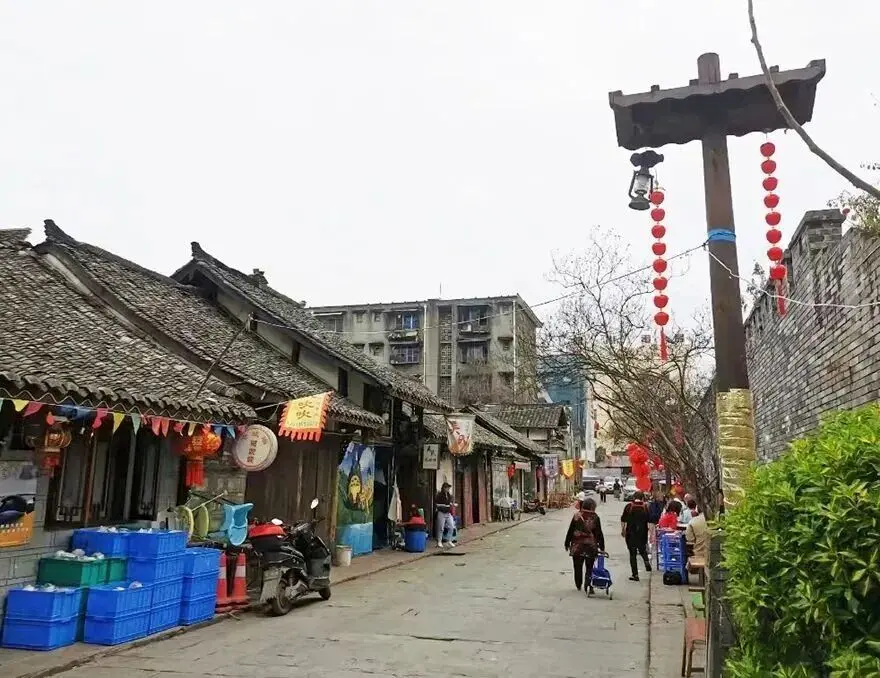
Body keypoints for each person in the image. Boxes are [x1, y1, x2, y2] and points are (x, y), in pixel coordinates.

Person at [564, 497, 605, 595]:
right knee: (589, 567)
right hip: (590, 546)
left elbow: (571, 530)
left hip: (577, 546)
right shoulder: (595, 517)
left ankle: (578, 584)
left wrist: (567, 543)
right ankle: (588, 585)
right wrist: (602, 546)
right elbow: (599, 533)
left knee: (577, 566)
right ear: (592, 506)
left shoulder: (577, 516)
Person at [621, 491, 652, 582]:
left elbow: (623, 519)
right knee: (642, 549)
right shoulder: (646, 507)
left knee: (632, 554)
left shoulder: (629, 506)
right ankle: (646, 561)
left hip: (631, 533)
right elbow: (649, 520)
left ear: (634, 497)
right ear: (642, 498)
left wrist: (623, 530)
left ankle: (635, 575)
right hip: (642, 533)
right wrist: (649, 532)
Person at [434, 482, 456, 548]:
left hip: (448, 513)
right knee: (441, 528)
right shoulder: (439, 495)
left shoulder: (449, 495)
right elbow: (437, 504)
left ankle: (449, 540)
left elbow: (449, 503)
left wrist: (452, 505)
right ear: (444, 488)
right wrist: (445, 505)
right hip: (441, 512)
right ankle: (439, 541)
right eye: (447, 487)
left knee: (452, 526)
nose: (448, 489)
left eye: (449, 488)